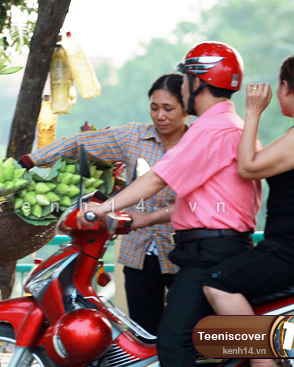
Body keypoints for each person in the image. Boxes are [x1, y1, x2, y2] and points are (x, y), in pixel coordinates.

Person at [81, 41, 262, 367]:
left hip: (208, 255)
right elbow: (202, 202)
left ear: (198, 81)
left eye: (184, 80)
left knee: (173, 341)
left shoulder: (211, 129)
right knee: (202, 343)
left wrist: (99, 209)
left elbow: (156, 180)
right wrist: (146, 219)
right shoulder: (231, 126)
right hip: (216, 249)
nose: (181, 87)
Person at [19, 73, 188, 340]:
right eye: (154, 108)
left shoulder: (198, 144)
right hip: (138, 251)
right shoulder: (134, 136)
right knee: (144, 332)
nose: (160, 116)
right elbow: (77, 143)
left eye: (169, 109)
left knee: (183, 333)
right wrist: (30, 160)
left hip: (182, 250)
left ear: (186, 108)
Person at [202, 52, 294, 367]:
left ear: (285, 87)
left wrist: (253, 112)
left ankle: (263, 363)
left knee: (218, 281)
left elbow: (247, 167)